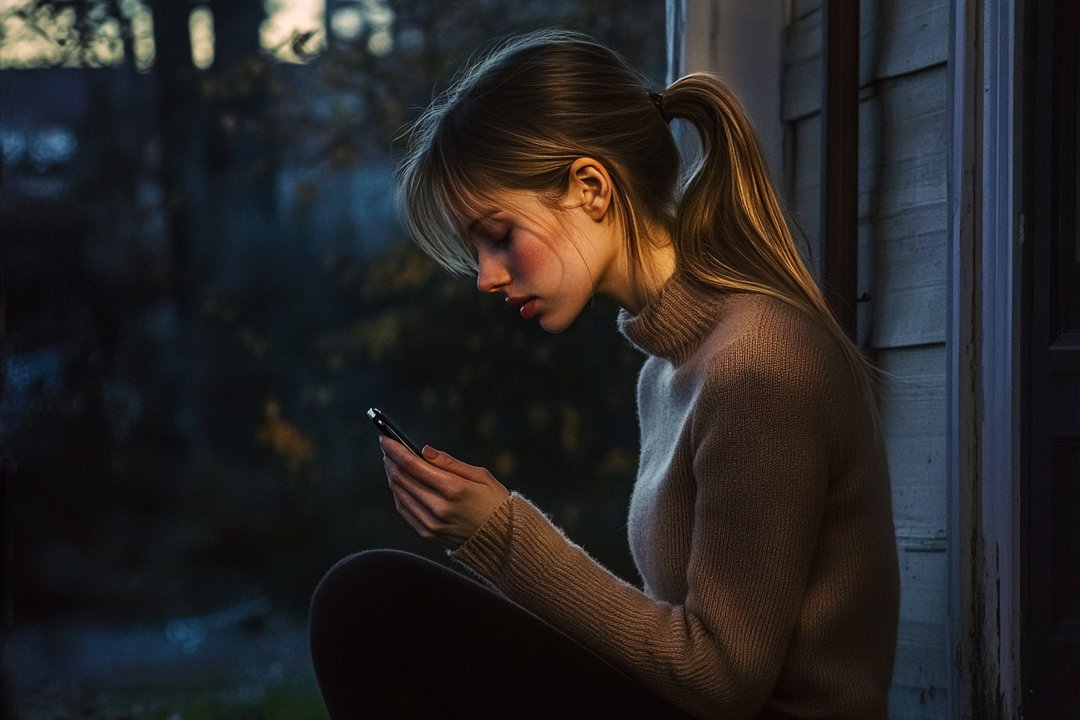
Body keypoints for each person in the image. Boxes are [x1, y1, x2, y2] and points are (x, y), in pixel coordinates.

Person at [308, 30, 899, 720]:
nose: (487, 276)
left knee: (367, 602)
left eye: (498, 235)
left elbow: (721, 680)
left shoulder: (758, 365)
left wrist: (502, 536)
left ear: (591, 187)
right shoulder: (668, 373)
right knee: (367, 604)